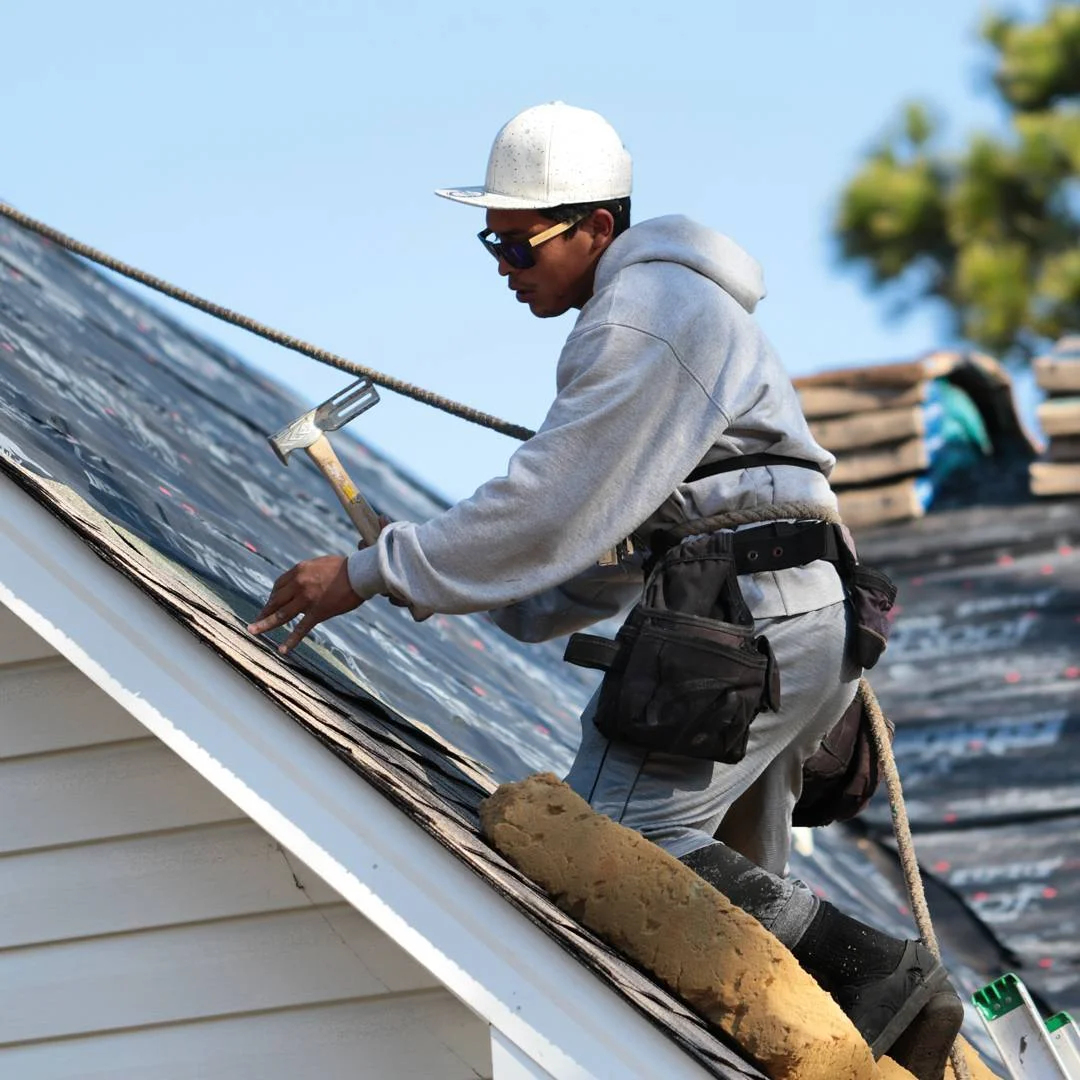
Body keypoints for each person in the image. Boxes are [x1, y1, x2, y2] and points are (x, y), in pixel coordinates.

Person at [249, 101, 963, 1078]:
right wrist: (519, 600)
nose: (502, 265)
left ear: (594, 229)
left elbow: (551, 502)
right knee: (721, 919)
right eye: (489, 242)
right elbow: (614, 539)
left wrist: (371, 570)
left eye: (516, 243)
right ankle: (856, 1033)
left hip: (741, 620)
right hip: (802, 617)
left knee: (604, 852)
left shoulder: (641, 318)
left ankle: (880, 980)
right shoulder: (678, 311)